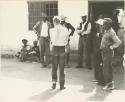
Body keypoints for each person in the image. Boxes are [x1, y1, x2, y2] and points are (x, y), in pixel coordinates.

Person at [100, 18, 121, 90]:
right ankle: (110, 84)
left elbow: (118, 42)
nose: (103, 25)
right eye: (103, 23)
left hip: (108, 52)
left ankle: (109, 85)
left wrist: (112, 47)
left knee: (107, 69)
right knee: (106, 68)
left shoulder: (111, 32)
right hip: (104, 52)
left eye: (105, 23)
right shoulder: (106, 31)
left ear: (109, 24)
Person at [50, 16, 69, 90]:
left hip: (55, 48)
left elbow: (52, 40)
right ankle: (61, 85)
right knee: (62, 68)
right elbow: (66, 41)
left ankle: (54, 84)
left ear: (54, 22)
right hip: (62, 49)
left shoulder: (51, 30)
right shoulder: (65, 29)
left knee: (54, 68)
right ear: (60, 22)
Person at [92, 15, 105, 85]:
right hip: (96, 50)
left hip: (101, 51)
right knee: (96, 64)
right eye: (97, 25)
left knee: (101, 65)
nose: (97, 26)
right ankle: (96, 78)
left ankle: (101, 79)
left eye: (99, 25)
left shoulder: (104, 34)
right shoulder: (97, 32)